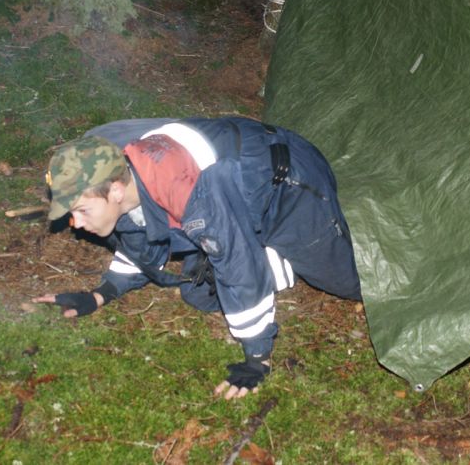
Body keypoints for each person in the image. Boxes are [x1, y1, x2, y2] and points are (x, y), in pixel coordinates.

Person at [32, 116, 362, 400]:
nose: (76, 224)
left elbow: (238, 267)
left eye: (81, 210)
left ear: (115, 191)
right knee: (199, 291)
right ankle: (257, 243)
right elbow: (139, 235)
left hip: (290, 184)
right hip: (234, 183)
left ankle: (279, 257)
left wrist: (257, 358)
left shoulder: (188, 192)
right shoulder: (114, 167)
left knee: (350, 283)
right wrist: (102, 293)